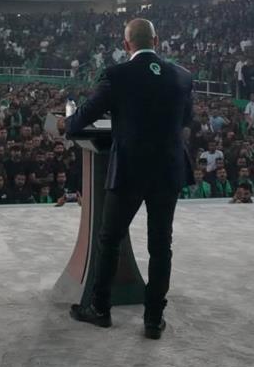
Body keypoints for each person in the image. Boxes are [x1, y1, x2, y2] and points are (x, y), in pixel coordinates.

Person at [67, 18, 193, 340]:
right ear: (156, 40)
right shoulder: (182, 76)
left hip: (130, 170)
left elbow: (84, 116)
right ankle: (153, 319)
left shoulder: (117, 75)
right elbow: (186, 120)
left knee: (109, 239)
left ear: (126, 45)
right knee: (161, 246)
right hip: (168, 170)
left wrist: (66, 123)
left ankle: (100, 308)